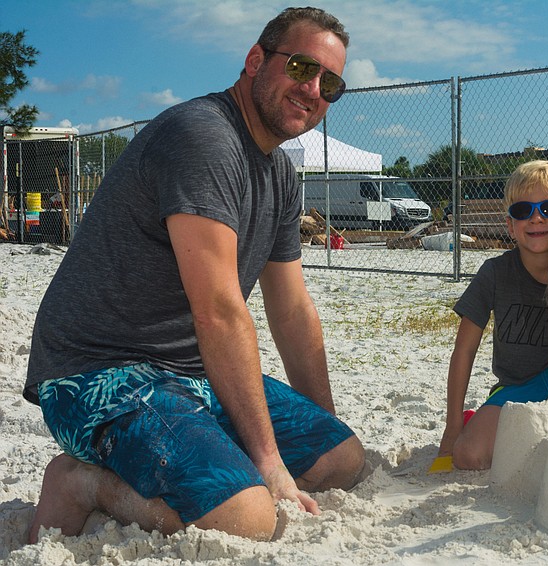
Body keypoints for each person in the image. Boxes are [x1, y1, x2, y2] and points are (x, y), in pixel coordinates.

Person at [23, 7, 364, 542]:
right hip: (97, 373)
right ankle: (83, 484)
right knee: (247, 519)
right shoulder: (202, 137)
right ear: (255, 60)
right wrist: (270, 462)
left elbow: (292, 309)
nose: (314, 88)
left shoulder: (281, 174)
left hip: (190, 375)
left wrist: (320, 429)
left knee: (341, 460)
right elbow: (220, 312)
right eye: (301, 67)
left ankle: (214, 471)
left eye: (331, 82)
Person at [436, 160, 548, 471]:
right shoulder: (495, 273)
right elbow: (463, 351)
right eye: (522, 211)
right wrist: (452, 429)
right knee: (468, 456)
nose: (536, 218)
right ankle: (474, 421)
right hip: (515, 389)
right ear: (510, 226)